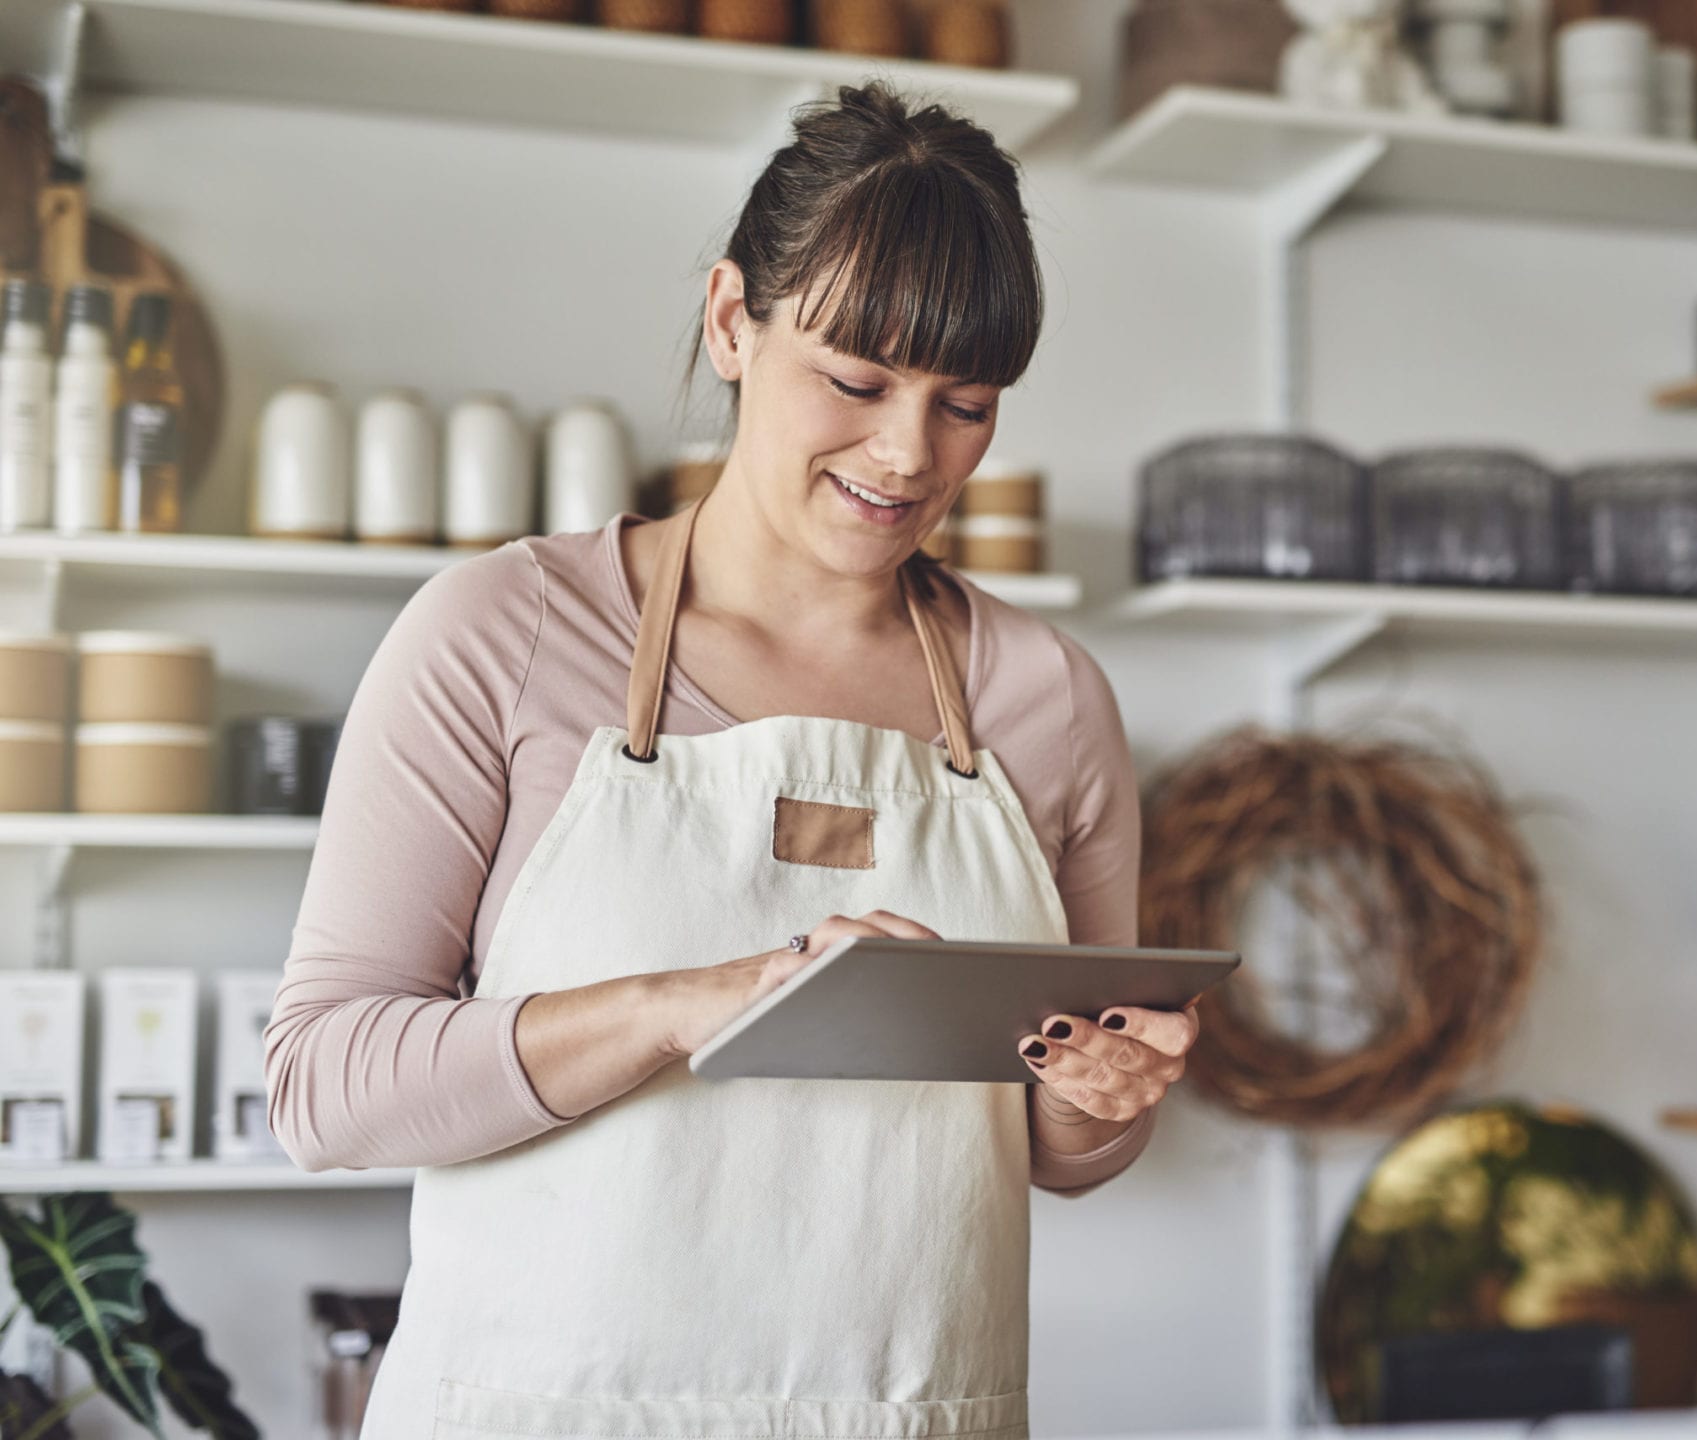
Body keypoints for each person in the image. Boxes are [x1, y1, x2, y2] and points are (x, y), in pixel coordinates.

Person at [265, 83, 1195, 1440]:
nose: (906, 454)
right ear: (728, 323)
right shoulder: (509, 634)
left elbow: (1062, 1155)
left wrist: (1102, 1104)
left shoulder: (1043, 700)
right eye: (856, 381)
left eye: (967, 404)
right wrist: (677, 1007)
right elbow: (320, 1088)